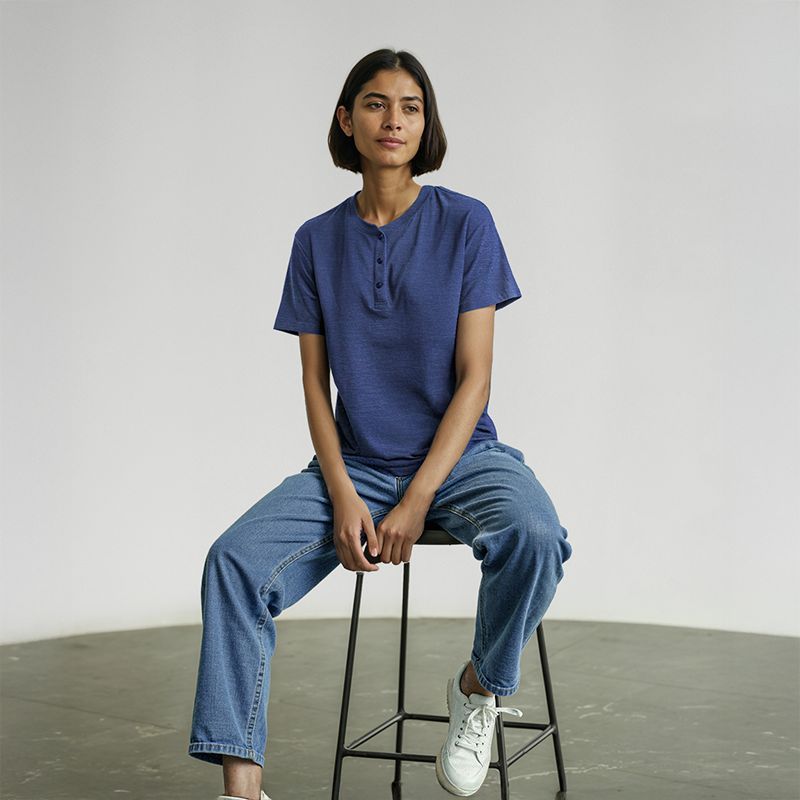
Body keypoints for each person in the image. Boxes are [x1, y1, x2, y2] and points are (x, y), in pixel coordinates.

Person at [187, 48, 573, 800]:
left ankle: (479, 687)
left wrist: (419, 496)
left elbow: (476, 379)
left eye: (410, 106)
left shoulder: (466, 223)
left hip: (460, 459)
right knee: (233, 562)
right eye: (375, 103)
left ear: (425, 125)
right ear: (346, 120)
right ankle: (242, 789)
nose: (393, 119)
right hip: (357, 463)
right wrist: (341, 492)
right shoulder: (315, 240)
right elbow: (314, 383)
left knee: (535, 536)